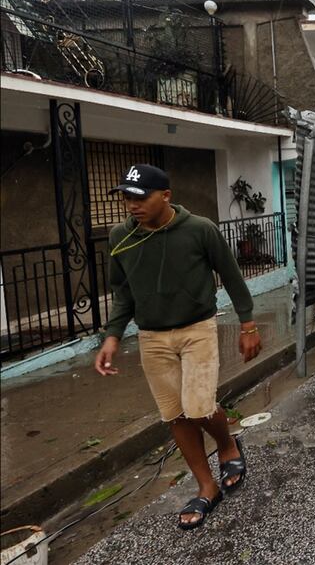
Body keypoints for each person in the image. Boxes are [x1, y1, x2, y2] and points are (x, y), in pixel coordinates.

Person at [94, 164, 262, 531]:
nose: (131, 205)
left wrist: (248, 324)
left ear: (166, 196)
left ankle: (227, 443)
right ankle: (206, 486)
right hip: (152, 338)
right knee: (175, 415)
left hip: (197, 329)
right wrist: (112, 336)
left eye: (140, 197)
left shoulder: (200, 229)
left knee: (199, 406)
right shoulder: (120, 236)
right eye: (126, 197)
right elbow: (122, 292)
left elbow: (232, 276)